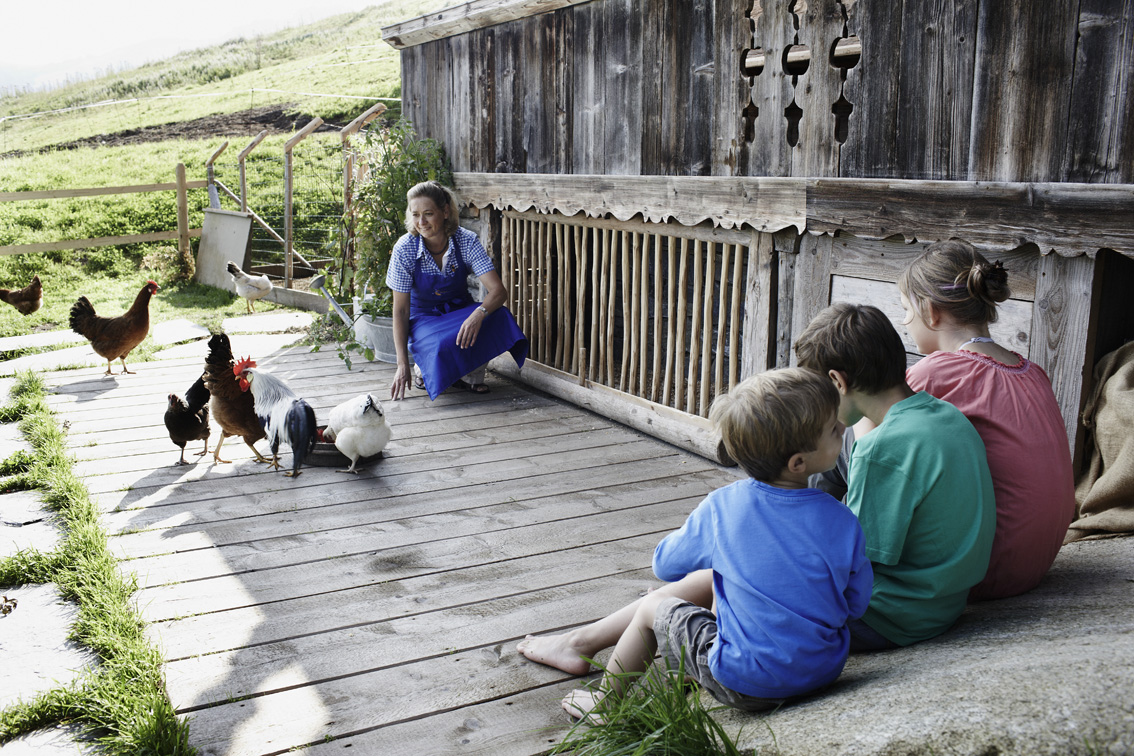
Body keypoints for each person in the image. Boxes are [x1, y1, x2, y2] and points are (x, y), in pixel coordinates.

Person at [517, 367, 873, 721]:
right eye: (833, 429)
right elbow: (855, 605)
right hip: (823, 672)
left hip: (746, 685)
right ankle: (687, 673)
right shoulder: (843, 521)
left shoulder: (722, 508)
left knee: (652, 607)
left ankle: (606, 702)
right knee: (729, 580)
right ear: (798, 463)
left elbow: (665, 565)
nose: (843, 429)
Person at [794, 303, 996, 650]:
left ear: (836, 381)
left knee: (756, 582)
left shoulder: (881, 450)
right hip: (944, 604)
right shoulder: (948, 415)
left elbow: (854, 562)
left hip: (888, 616)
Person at [897, 239, 1075, 600]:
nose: (903, 322)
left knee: (843, 447)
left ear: (931, 312)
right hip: (1034, 561)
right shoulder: (1031, 371)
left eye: (905, 310)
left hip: (983, 567)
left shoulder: (935, 373)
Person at [386, 181, 528, 401]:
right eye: (415, 215)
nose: (421, 222)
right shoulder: (404, 248)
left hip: (459, 311)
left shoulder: (466, 240)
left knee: (497, 316)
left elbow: (498, 291)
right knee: (440, 343)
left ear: (444, 212)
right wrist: (401, 364)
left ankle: (471, 377)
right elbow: (401, 312)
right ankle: (422, 370)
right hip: (424, 317)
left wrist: (477, 315)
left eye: (428, 214)